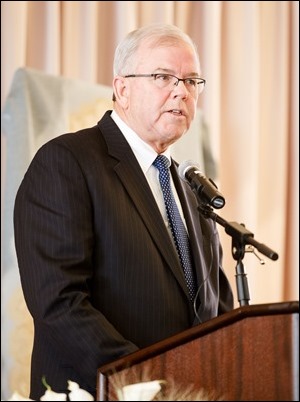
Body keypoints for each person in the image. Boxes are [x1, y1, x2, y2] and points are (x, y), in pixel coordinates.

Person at [13, 23, 234, 400]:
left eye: (192, 81)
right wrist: (150, 385)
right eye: (164, 76)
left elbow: (216, 305)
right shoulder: (66, 162)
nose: (181, 91)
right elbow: (60, 302)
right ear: (122, 89)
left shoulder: (190, 184)